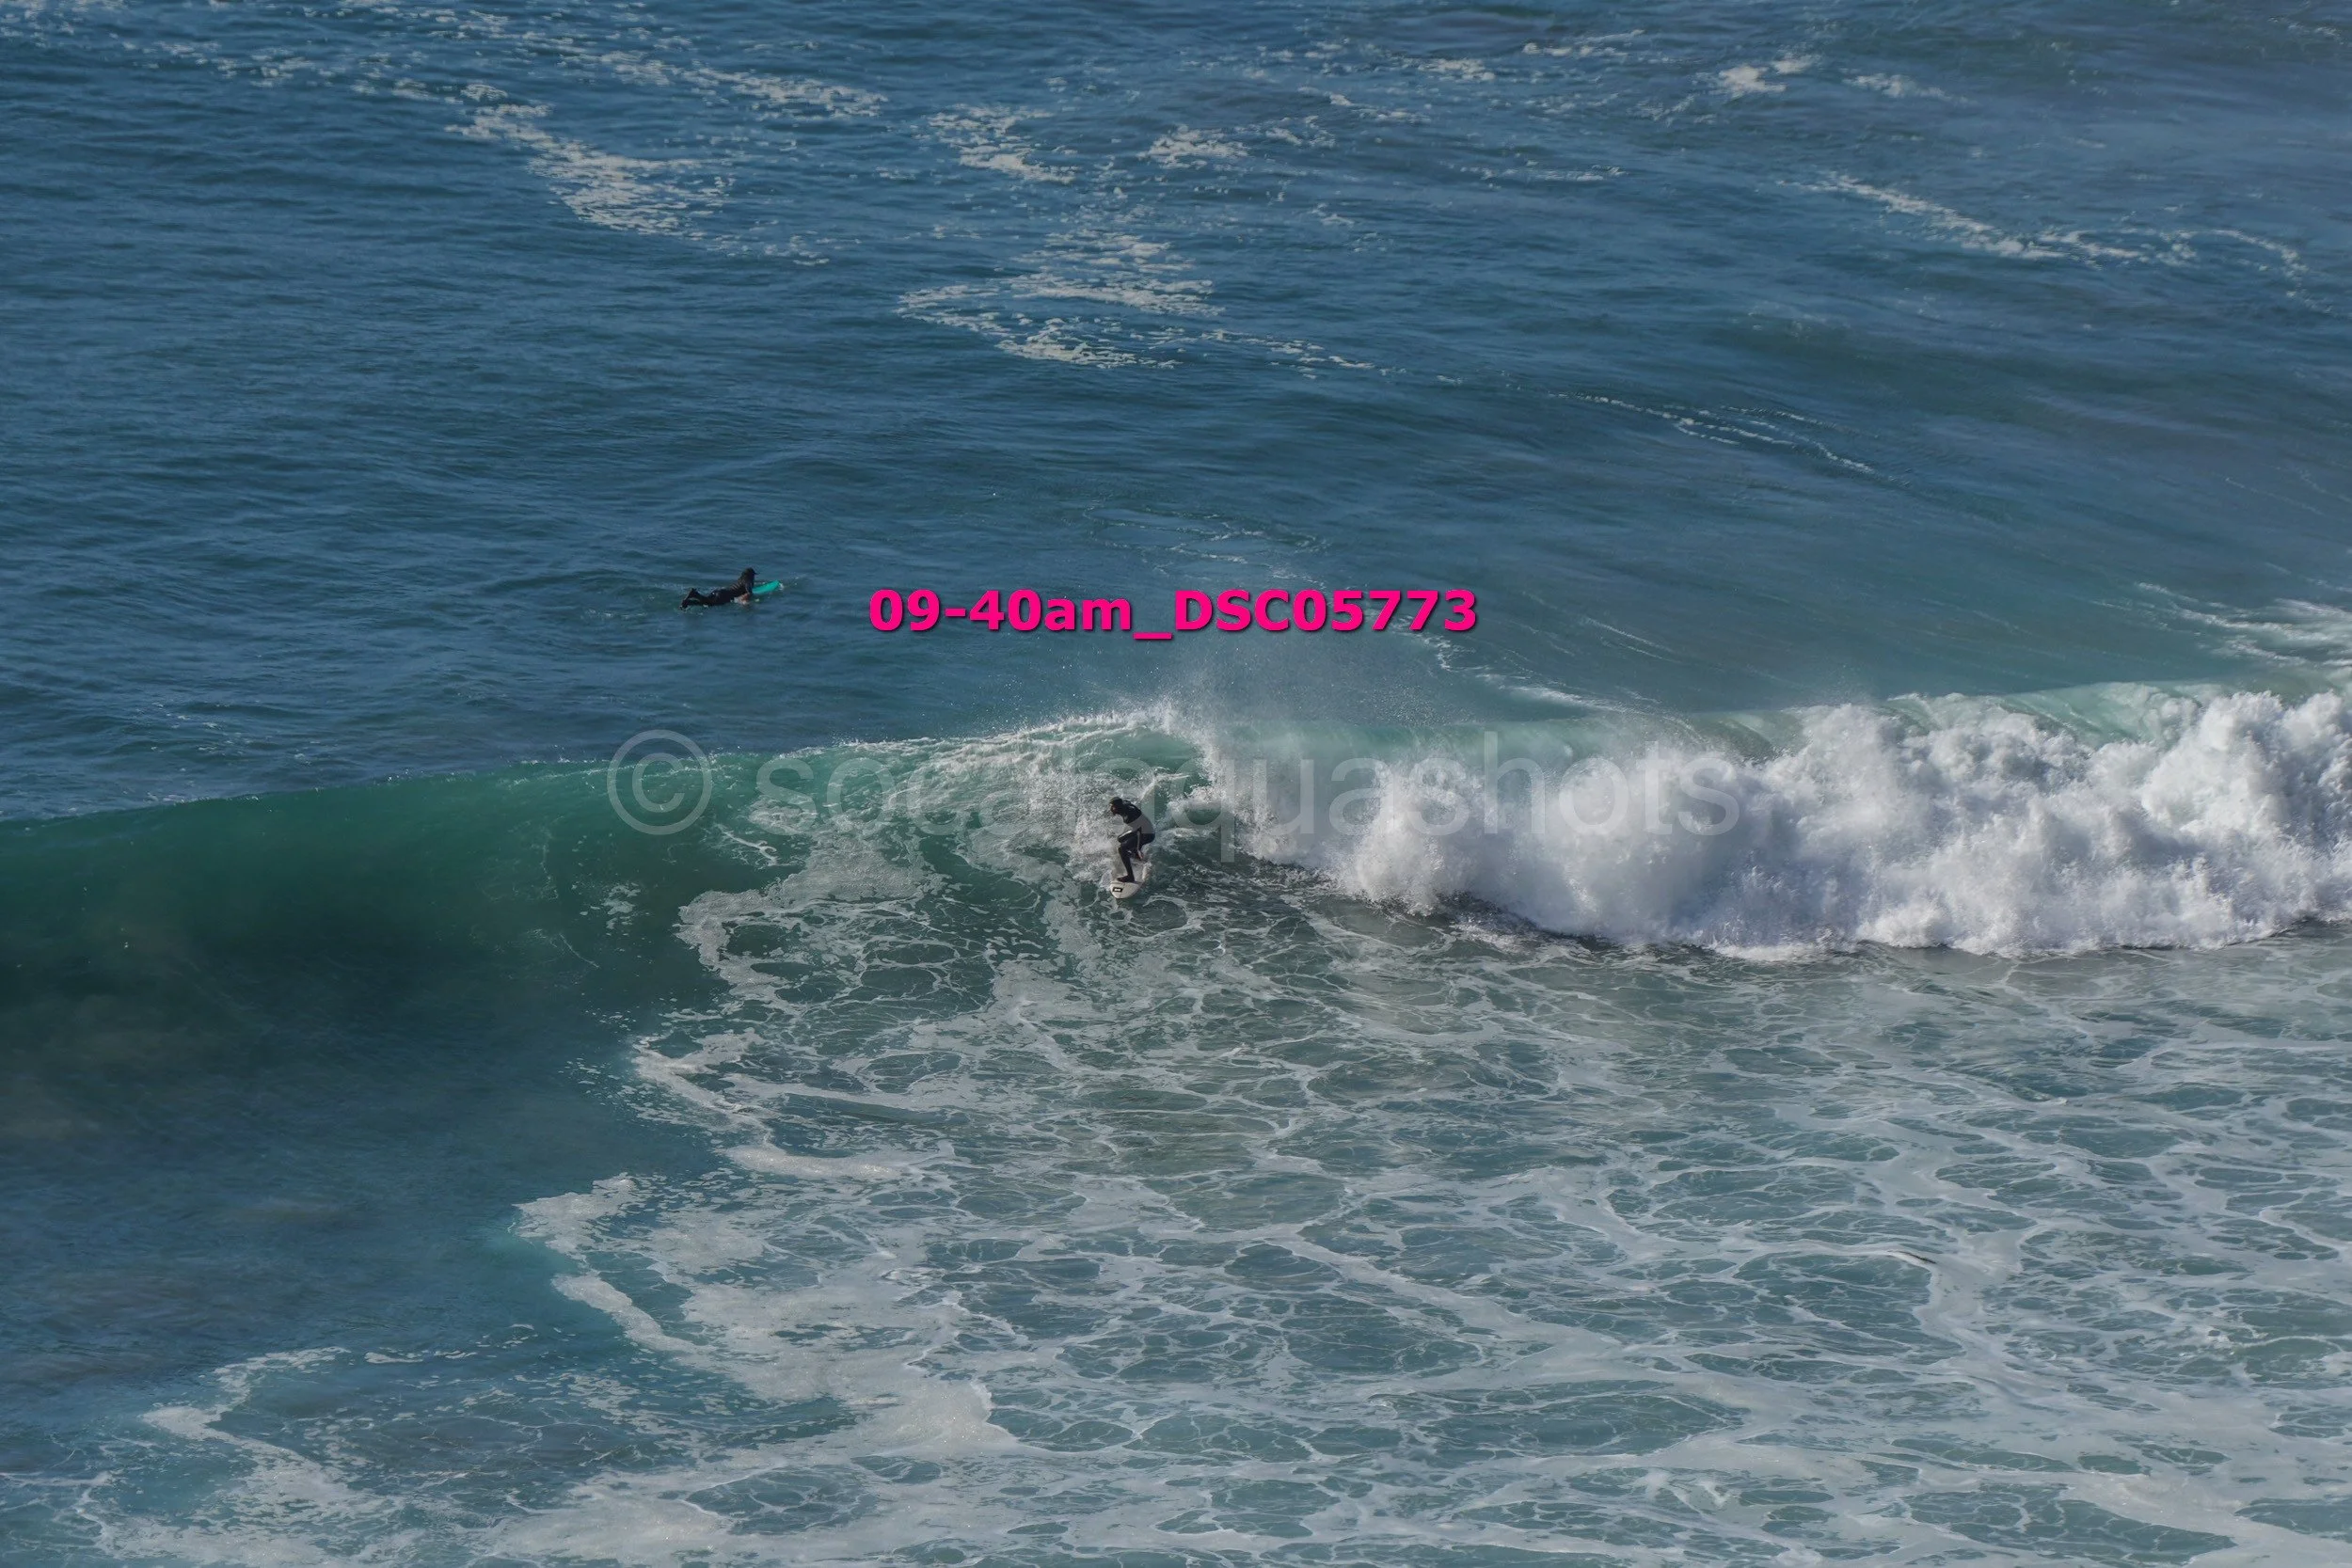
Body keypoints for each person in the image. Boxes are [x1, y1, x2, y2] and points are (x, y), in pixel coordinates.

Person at [1109, 796, 1154, 884]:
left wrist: (1138, 849)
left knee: (1121, 848)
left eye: (1113, 807)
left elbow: (1139, 832)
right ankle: (1133, 853)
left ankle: (1130, 876)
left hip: (1147, 834)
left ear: (1118, 807)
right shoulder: (1124, 804)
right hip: (1143, 830)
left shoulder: (1129, 816)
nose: (1111, 808)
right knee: (1120, 839)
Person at [682, 569, 757, 608]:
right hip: (724, 596)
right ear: (751, 576)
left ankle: (689, 602)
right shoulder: (748, 581)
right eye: (754, 576)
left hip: (719, 592)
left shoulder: (740, 580)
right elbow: (749, 593)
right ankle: (695, 594)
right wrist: (746, 604)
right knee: (709, 604)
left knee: (707, 604)